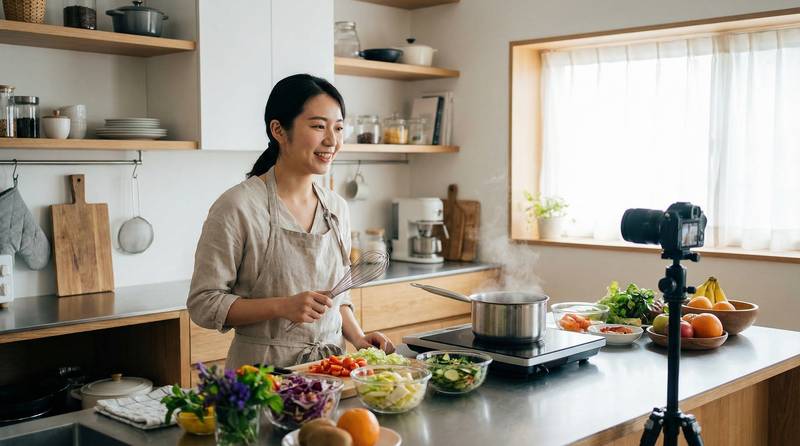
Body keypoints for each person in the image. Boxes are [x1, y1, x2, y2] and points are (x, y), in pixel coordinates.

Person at [187, 74, 394, 368]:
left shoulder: (336, 207)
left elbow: (338, 294)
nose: (332, 141)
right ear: (278, 130)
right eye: (318, 126)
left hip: (332, 369)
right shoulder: (237, 206)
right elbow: (203, 303)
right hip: (264, 375)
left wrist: (359, 339)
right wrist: (282, 306)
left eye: (338, 128)